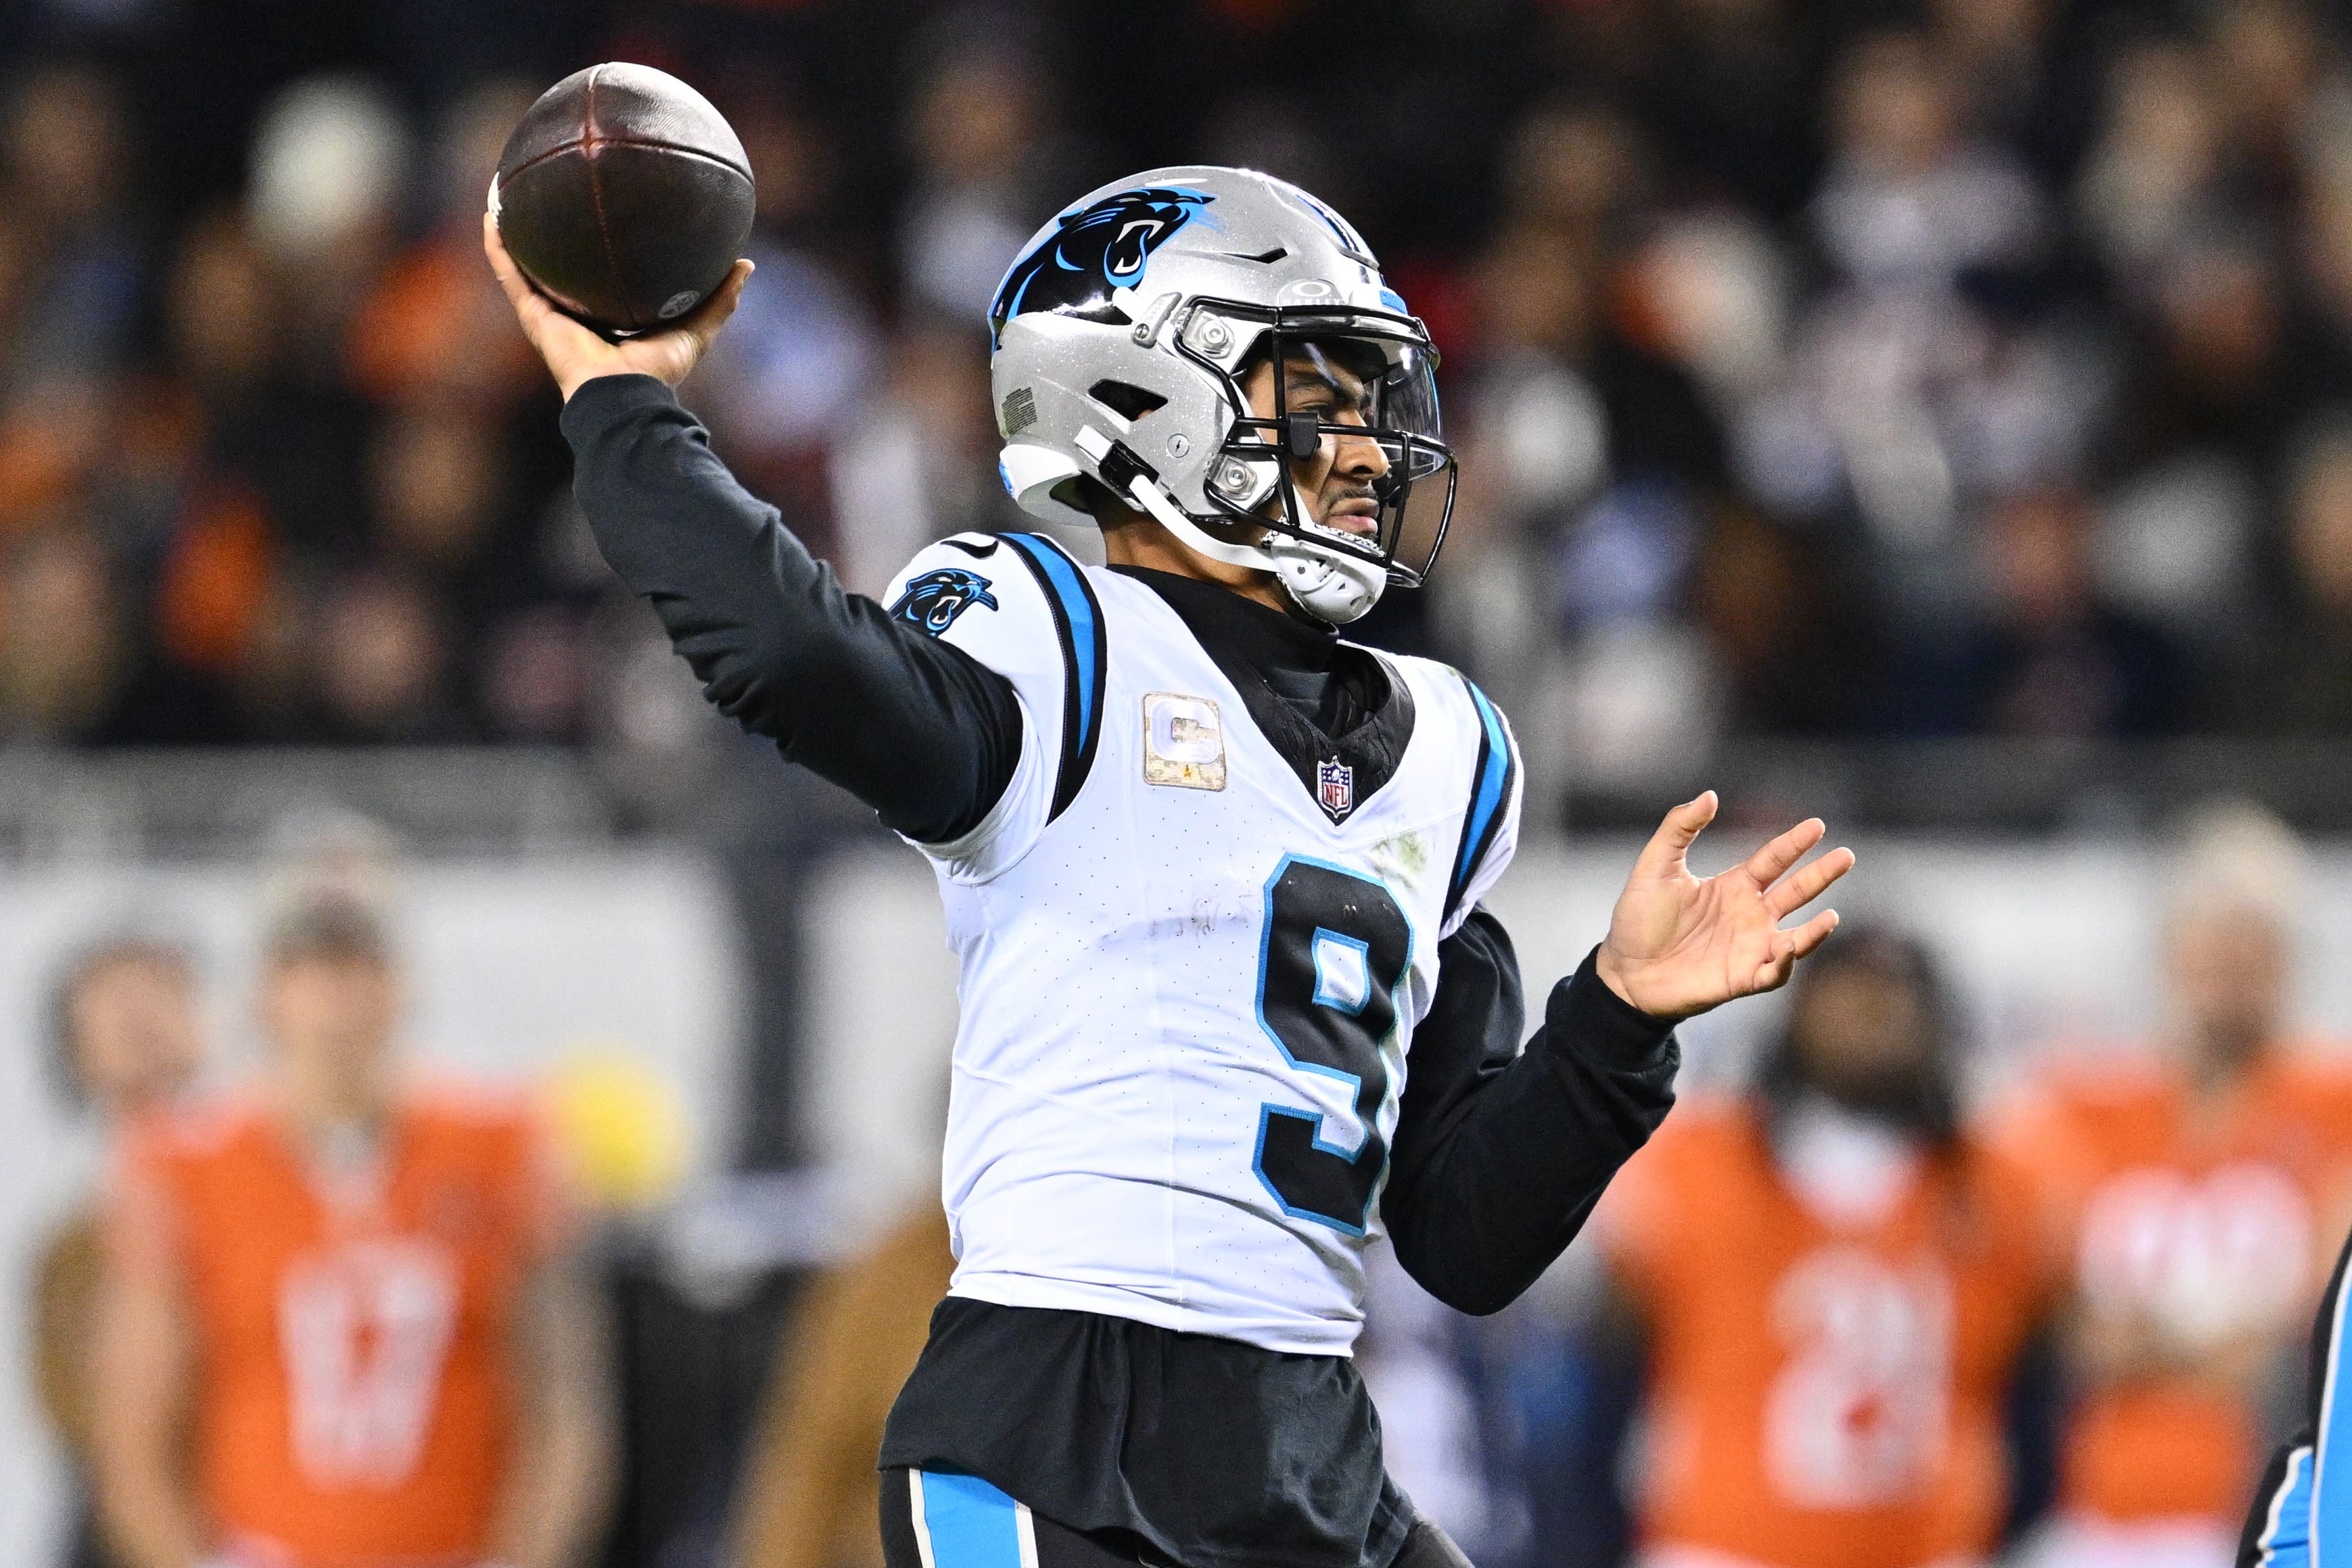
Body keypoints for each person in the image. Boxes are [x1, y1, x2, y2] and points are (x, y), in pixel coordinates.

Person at [485, 164, 1856, 1568]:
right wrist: (622, 395)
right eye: (1313, 393)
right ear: (1136, 398)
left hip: (1308, 1437)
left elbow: (1462, 1238)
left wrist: (1615, 1020)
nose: (1371, 448)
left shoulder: (1444, 747)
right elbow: (783, 651)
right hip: (1059, 1429)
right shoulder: (1054, 638)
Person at [89, 895, 615, 1568]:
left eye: (357, 970)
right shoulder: (185, 1167)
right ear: (266, 997)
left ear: (399, 987)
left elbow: (566, 1404)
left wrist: (530, 1554)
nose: (337, 1004)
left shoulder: (499, 1145)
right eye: (311, 972)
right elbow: (133, 1436)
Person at [1593, 927, 2053, 1568]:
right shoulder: (1701, 1160)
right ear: (1800, 1010)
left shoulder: (1993, 1185)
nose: (1871, 1014)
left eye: (1894, 995)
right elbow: (1609, 1365)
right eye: (1851, 991)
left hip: (1928, 1547)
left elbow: (2042, 1385)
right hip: (1724, 1546)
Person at [1995, 806, 2352, 1568]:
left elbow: (2311, 1327)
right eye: (2212, 936)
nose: (2229, 961)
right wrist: (2104, 1335)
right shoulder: (2085, 1105)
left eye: (2251, 940)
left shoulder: (2334, 1102)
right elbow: (2058, 1313)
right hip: (2101, 1512)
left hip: (2270, 1507)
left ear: (2289, 958)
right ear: (2169, 950)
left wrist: (2177, 1346)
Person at [33, 933, 208, 1568]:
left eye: (160, 990)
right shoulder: (72, 1250)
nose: (140, 1014)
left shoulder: (278, 1202)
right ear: (76, 1051)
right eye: (112, 999)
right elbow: (77, 1424)